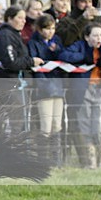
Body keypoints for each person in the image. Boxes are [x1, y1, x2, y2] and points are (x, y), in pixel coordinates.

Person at [58, 23, 101, 168]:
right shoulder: (79, 46)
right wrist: (84, 56)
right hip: (83, 90)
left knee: (98, 126)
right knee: (84, 124)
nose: (99, 38)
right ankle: (90, 160)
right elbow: (64, 55)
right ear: (87, 37)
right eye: (95, 35)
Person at [0, 5, 44, 133]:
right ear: (9, 18)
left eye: (24, 18)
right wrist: (31, 61)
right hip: (10, 83)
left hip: (19, 83)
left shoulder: (14, 34)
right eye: (20, 18)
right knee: (16, 123)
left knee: (22, 121)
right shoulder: (5, 35)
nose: (23, 21)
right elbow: (10, 62)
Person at [27, 14, 65, 166]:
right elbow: (36, 66)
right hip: (43, 88)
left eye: (53, 28)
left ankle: (56, 159)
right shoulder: (33, 43)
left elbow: (62, 58)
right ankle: (42, 159)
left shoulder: (57, 41)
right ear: (39, 29)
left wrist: (56, 51)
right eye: (47, 29)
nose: (50, 32)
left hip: (57, 86)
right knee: (46, 125)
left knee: (57, 124)